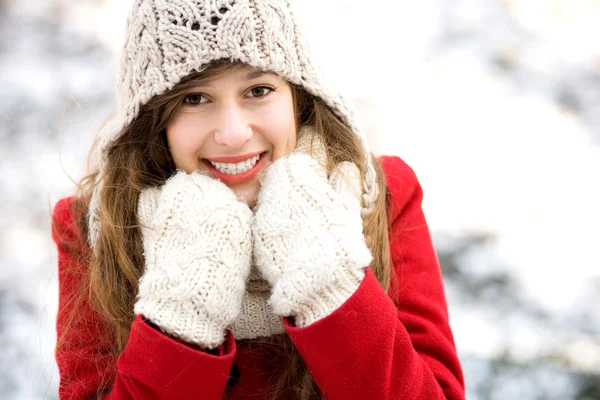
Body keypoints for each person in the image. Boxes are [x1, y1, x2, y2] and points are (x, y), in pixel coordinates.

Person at [51, 0, 466, 399]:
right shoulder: (96, 225)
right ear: (152, 118)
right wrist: (182, 312)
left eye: (258, 89)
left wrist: (329, 283)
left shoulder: (379, 194)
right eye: (194, 99)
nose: (232, 133)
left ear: (297, 95)